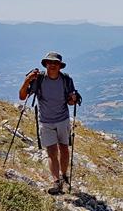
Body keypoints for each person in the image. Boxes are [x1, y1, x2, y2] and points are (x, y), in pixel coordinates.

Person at [19, 51, 79, 194]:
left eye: (55, 63)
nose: (52, 65)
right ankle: (56, 181)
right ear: (46, 64)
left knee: (64, 149)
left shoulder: (66, 80)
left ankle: (64, 175)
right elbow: (22, 97)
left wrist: (73, 99)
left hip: (62, 120)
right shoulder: (38, 80)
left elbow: (70, 102)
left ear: (60, 66)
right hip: (45, 122)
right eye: (50, 62)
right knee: (52, 152)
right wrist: (27, 80)